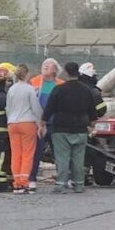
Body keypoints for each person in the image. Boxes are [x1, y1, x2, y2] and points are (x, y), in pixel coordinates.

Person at [40, 62, 99, 194]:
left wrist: (42, 123)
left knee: (62, 158)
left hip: (61, 129)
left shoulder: (59, 89)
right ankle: (79, 184)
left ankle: (61, 184)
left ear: (66, 73)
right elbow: (92, 112)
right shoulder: (86, 90)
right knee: (78, 159)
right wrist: (91, 126)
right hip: (80, 129)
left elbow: (49, 108)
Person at [6, 64, 43, 194]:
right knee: (27, 153)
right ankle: (24, 182)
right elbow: (36, 108)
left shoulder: (11, 90)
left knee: (16, 154)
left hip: (12, 123)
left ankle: (16, 183)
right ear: (27, 74)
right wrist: (41, 123)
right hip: (27, 122)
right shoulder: (29, 89)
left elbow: (8, 108)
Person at [28, 58, 64, 184]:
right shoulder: (33, 82)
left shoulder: (61, 85)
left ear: (55, 70)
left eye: (49, 64)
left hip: (56, 124)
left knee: (59, 153)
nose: (46, 66)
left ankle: (63, 178)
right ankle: (31, 179)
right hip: (37, 124)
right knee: (35, 152)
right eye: (44, 64)